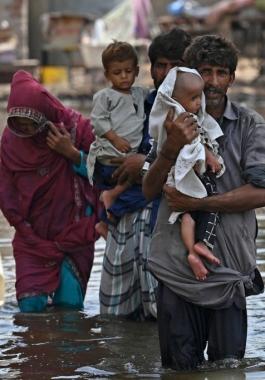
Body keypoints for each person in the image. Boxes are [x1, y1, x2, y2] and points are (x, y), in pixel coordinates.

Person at [143, 34, 265, 369]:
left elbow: (262, 191)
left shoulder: (250, 125)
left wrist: (197, 204)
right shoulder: (169, 121)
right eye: (204, 71)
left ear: (231, 78)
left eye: (220, 72)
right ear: (190, 74)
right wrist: (169, 150)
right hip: (175, 265)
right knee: (179, 368)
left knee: (228, 366)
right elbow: (149, 190)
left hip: (228, 267)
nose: (212, 81)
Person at [99, 28, 192, 319]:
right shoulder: (138, 105)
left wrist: (143, 164)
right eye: (160, 65)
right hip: (128, 219)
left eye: (175, 66)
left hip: (165, 222)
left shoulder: (196, 114)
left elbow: (194, 171)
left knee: (162, 313)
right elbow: (110, 160)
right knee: (116, 313)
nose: (166, 73)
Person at [0, 70, 100, 313]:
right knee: (30, 308)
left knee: (70, 308)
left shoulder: (76, 129)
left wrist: (72, 154)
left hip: (74, 235)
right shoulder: (10, 143)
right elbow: (6, 195)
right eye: (18, 123)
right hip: (32, 239)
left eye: (30, 122)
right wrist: (28, 232)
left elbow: (108, 173)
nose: (25, 129)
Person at [149, 66, 223, 280]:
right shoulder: (179, 122)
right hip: (182, 177)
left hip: (181, 180)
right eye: (192, 98)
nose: (199, 103)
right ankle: (201, 244)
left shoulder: (185, 119)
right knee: (212, 203)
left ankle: (192, 252)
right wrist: (209, 156)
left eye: (199, 97)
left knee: (188, 216)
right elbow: (195, 143)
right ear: (175, 100)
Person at [87, 41, 149, 239]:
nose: (123, 76)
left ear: (136, 71)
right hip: (111, 157)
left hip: (127, 157)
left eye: (128, 71)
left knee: (141, 189)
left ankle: (106, 219)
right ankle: (108, 213)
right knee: (141, 189)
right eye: (117, 72)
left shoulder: (140, 94)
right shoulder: (105, 96)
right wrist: (114, 139)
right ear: (107, 75)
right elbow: (97, 121)